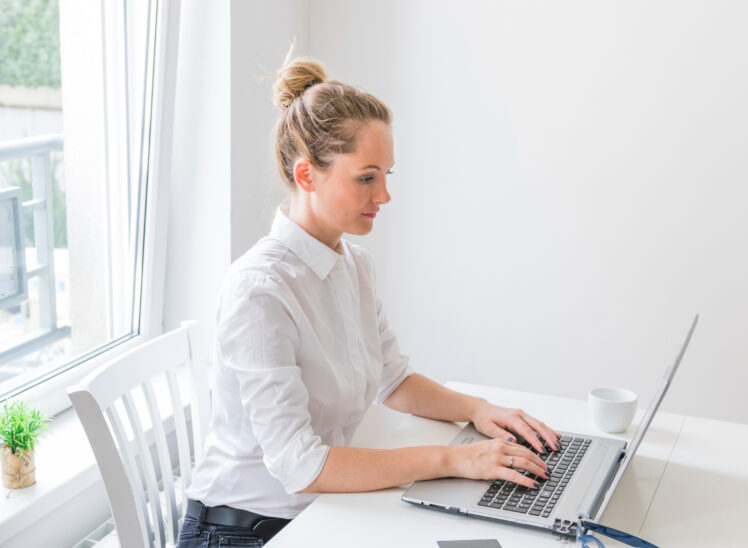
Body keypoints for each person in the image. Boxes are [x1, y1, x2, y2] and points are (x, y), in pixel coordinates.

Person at [178, 56, 561, 546]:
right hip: (245, 531)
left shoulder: (353, 265)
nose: (383, 195)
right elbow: (301, 466)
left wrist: (478, 410)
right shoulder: (259, 290)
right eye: (366, 177)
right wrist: (453, 459)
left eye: (387, 175)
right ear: (306, 175)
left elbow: (393, 377)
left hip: (321, 511)